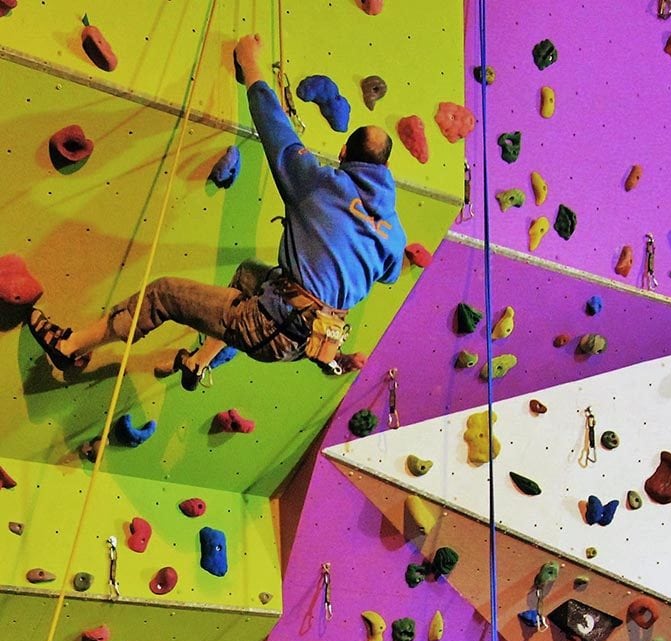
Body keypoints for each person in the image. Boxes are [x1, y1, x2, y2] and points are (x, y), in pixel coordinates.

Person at [28, 33, 406, 389]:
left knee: (163, 296)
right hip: (315, 341)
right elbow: (388, 276)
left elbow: (272, 121)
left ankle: (70, 347)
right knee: (250, 276)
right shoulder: (394, 231)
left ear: (343, 155)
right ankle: (198, 362)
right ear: (385, 171)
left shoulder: (322, 185)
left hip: (271, 329)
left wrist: (249, 60)